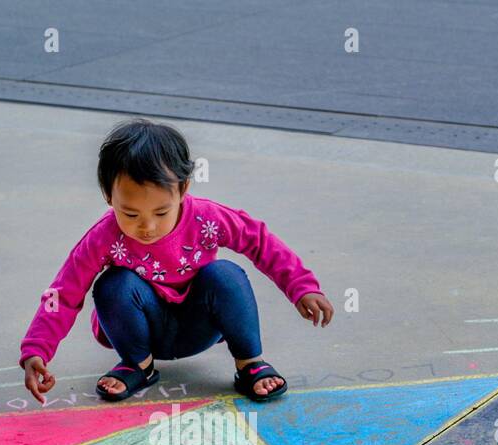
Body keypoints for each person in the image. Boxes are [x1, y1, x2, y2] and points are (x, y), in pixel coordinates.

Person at [20, 117, 333, 404]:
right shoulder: (104, 236)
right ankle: (137, 367)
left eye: (161, 212)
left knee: (225, 274)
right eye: (130, 213)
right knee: (113, 284)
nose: (147, 226)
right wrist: (37, 349)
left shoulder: (206, 218)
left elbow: (260, 242)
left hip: (198, 324)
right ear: (108, 196)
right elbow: (63, 293)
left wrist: (301, 286)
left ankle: (250, 363)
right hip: (141, 330)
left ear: (183, 189)